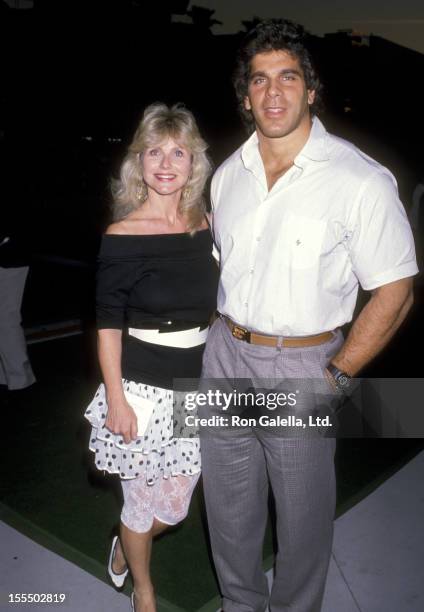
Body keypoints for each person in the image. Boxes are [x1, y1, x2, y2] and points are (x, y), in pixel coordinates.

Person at [199, 19, 418, 612]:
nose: (273, 93)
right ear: (245, 96)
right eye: (260, 80)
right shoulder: (226, 177)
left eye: (288, 78)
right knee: (228, 508)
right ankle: (241, 604)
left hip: (303, 366)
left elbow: (396, 290)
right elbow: (222, 266)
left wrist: (338, 374)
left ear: (311, 90)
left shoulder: (360, 180)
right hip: (224, 354)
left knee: (302, 521)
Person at [84, 103, 218, 612]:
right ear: (138, 162)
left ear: (193, 163)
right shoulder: (122, 236)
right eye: (155, 152)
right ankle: (144, 590)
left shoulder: (205, 224)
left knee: (176, 507)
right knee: (140, 504)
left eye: (178, 152)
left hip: (194, 388)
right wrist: (116, 400)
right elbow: (108, 327)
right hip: (139, 390)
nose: (166, 163)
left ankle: (124, 540)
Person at [0, 230, 36, 391]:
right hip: (11, 252)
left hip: (10, 253)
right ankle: (7, 377)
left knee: (6, 318)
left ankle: (21, 379)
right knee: (5, 318)